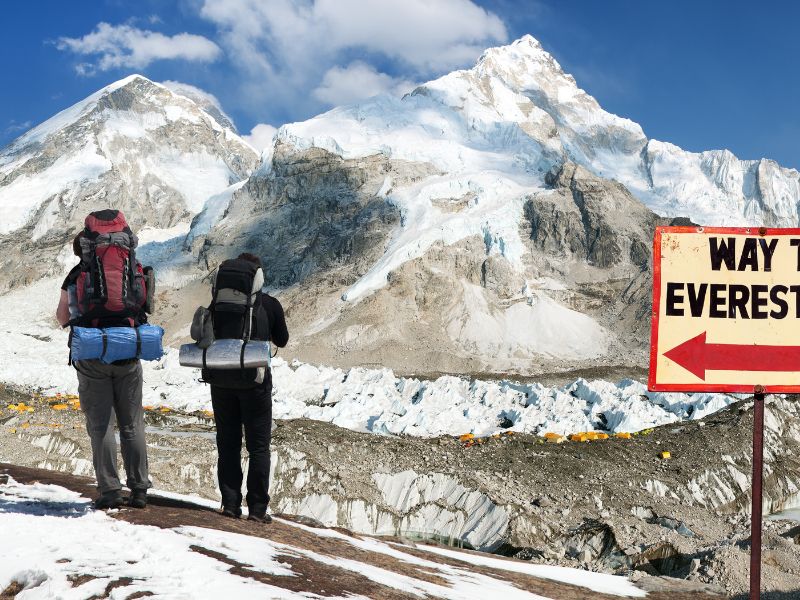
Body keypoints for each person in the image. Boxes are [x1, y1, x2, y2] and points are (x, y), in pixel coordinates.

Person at [56, 210, 151, 510]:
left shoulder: (76, 276)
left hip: (92, 355)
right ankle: (139, 490)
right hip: (128, 352)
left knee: (101, 426)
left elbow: (62, 318)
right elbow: (144, 304)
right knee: (132, 424)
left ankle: (110, 491)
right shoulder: (133, 268)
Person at [209, 252, 288, 523]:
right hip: (255, 383)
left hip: (221, 381)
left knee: (227, 443)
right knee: (258, 447)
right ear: (258, 277)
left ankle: (231, 504)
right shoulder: (270, 304)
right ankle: (257, 509)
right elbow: (282, 339)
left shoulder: (218, 304)